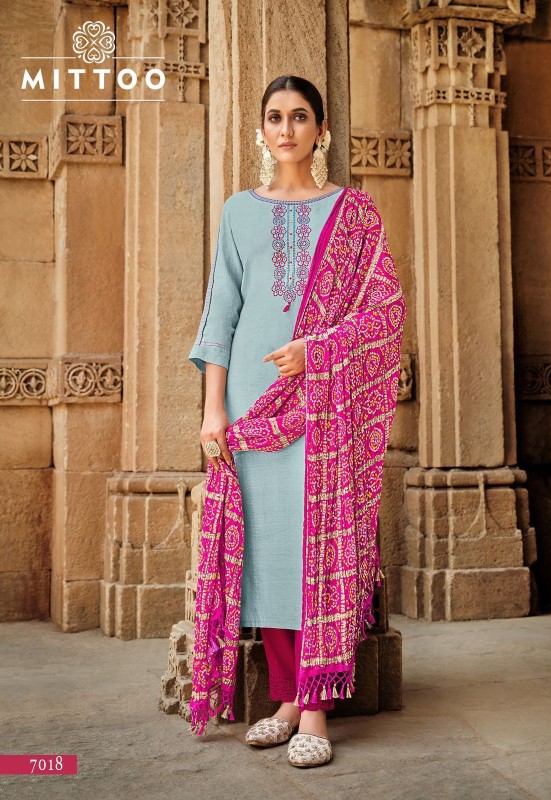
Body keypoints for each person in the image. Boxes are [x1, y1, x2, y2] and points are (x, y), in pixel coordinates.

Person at [188, 75, 406, 769]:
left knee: (316, 551)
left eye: (300, 117)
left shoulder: (354, 213)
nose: (287, 129)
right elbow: (220, 314)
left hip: (324, 407)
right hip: (253, 408)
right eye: (276, 118)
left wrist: (320, 352)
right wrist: (214, 411)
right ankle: (286, 698)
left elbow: (385, 313)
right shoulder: (238, 213)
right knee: (270, 556)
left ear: (322, 130)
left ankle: (316, 709)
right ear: (261, 131)